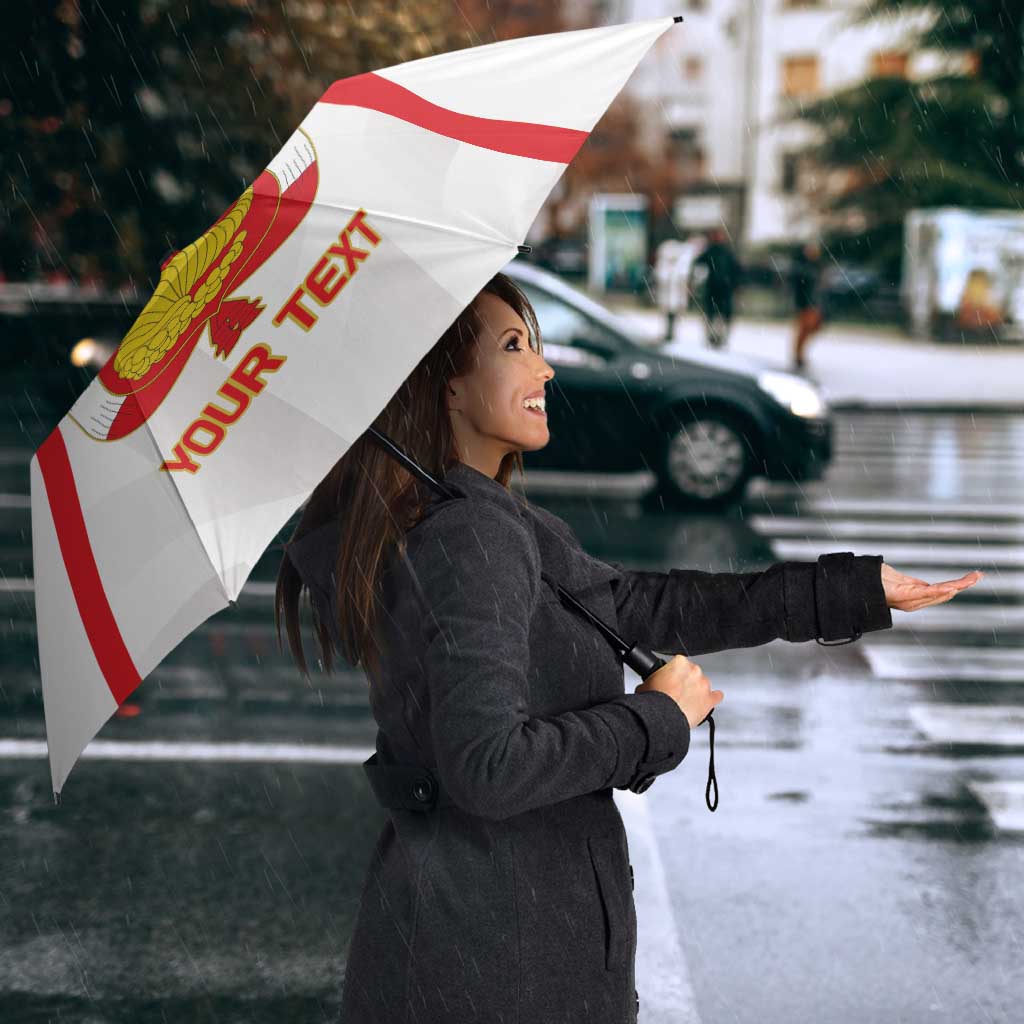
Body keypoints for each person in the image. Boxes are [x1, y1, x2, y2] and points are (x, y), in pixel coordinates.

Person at [276, 272, 982, 1024]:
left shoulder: (469, 519)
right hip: (500, 962)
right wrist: (656, 719)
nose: (544, 368)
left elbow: (641, 606)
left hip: (472, 941)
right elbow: (488, 767)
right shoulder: (471, 536)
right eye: (514, 347)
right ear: (446, 385)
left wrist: (848, 591)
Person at [692, 226, 742, 349]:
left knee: (719, 315)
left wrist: (735, 284)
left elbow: (736, 270)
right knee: (714, 314)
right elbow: (698, 263)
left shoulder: (724, 252)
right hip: (716, 288)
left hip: (722, 289)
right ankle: (713, 337)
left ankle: (719, 337)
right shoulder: (714, 251)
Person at [790, 239, 826, 370]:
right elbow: (799, 286)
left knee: (812, 327)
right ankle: (798, 355)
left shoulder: (816, 266)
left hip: (814, 303)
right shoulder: (802, 267)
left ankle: (799, 354)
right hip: (805, 303)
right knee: (804, 329)